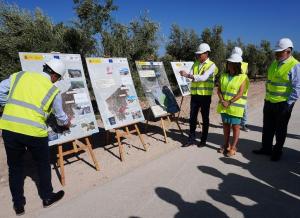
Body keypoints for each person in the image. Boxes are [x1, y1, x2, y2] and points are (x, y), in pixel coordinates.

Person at [0, 59, 71, 215]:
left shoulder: (19, 76)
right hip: (35, 132)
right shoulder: (53, 91)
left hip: (10, 128)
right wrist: (67, 123)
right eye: (58, 78)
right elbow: (61, 117)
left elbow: (0, 91)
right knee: (43, 164)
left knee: (15, 168)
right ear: (55, 76)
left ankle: (18, 205)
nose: (57, 81)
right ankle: (47, 197)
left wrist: (9, 105)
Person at [253, 38, 300, 161]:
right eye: (276, 52)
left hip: (283, 103)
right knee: (267, 127)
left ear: (288, 51)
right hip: (269, 101)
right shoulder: (274, 63)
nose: (276, 54)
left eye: (280, 52)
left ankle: (277, 151)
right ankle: (266, 148)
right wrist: (267, 98)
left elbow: (297, 87)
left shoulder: (295, 65)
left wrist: (288, 104)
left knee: (280, 130)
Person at [180, 43, 218, 147]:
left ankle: (203, 140)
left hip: (205, 96)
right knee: (192, 117)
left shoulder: (212, 65)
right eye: (197, 54)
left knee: (205, 118)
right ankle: (191, 139)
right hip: (195, 95)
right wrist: (184, 72)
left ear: (206, 53)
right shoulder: (195, 63)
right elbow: (190, 73)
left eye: (200, 54)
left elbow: (203, 77)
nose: (198, 56)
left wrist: (188, 75)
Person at [217, 53, 249, 156]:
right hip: (224, 106)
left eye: (232, 63)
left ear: (237, 65)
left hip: (235, 107)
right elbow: (219, 91)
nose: (229, 64)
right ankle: (226, 145)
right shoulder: (223, 75)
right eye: (229, 62)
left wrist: (229, 102)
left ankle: (233, 147)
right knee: (226, 126)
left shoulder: (243, 77)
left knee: (235, 127)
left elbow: (240, 93)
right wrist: (222, 101)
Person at [231, 47, 250, 132]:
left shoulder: (245, 65)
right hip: (232, 89)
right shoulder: (230, 62)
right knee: (231, 109)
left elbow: (245, 76)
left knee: (243, 108)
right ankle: (232, 125)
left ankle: (243, 124)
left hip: (241, 90)